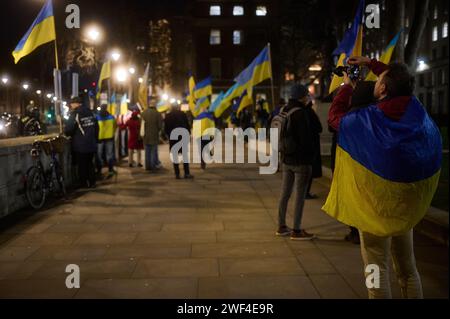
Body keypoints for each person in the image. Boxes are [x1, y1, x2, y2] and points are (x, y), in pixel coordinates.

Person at [323, 57, 442, 299]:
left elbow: (334, 119)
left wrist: (346, 87)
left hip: (374, 210)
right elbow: (398, 79)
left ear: (383, 89)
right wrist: (370, 62)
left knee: (377, 273)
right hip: (404, 209)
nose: (375, 81)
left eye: (378, 80)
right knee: (408, 270)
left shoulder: (367, 120)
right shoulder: (415, 110)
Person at [276, 84, 315, 241]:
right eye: (306, 95)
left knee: (284, 194)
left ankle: (281, 226)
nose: (308, 97)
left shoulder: (283, 110)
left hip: (286, 159)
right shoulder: (301, 113)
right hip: (300, 161)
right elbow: (306, 140)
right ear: (301, 97)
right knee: (299, 196)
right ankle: (297, 230)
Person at [64, 96, 98, 188]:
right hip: (91, 143)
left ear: (77, 104)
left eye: (72, 103)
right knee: (90, 163)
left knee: (82, 165)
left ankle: (83, 183)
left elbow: (68, 129)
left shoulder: (75, 113)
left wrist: (68, 134)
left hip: (81, 144)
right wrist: (95, 140)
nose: (70, 105)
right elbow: (96, 128)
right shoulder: (91, 113)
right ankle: (92, 182)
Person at [164, 102, 194, 179]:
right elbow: (187, 125)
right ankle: (186, 173)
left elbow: (166, 128)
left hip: (173, 137)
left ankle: (177, 174)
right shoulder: (182, 114)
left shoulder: (168, 115)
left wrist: (168, 135)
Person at [304, 101, 323, 199]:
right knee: (310, 169)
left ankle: (304, 192)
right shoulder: (310, 113)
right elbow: (319, 128)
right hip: (312, 144)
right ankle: (305, 192)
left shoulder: (302, 112)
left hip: (305, 145)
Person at [141, 97, 163, 172]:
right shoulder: (157, 113)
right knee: (153, 151)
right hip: (154, 135)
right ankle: (153, 166)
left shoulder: (143, 113)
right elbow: (160, 126)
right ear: (155, 105)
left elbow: (141, 125)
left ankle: (148, 166)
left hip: (146, 136)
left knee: (147, 152)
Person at [96, 104, 117, 178]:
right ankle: (110, 169)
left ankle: (99, 170)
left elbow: (95, 128)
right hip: (109, 138)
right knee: (109, 155)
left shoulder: (97, 117)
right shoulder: (111, 117)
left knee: (99, 155)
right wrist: (111, 133)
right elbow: (115, 126)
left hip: (100, 139)